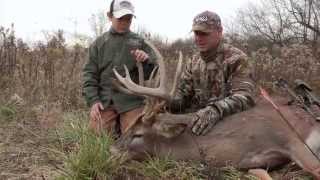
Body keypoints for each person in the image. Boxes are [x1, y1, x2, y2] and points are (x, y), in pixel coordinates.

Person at [168, 11, 255, 136]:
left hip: (229, 124)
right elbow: (183, 96)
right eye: (196, 33)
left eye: (204, 33)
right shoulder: (193, 61)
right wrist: (167, 102)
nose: (198, 38)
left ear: (219, 32)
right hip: (198, 122)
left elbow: (245, 97)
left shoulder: (237, 59)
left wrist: (216, 109)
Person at [82, 0, 156, 136]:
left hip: (131, 101)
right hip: (105, 101)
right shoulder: (99, 44)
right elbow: (89, 74)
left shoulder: (140, 42)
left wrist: (146, 61)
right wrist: (94, 101)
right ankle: (114, 127)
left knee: (138, 137)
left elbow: (150, 74)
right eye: (120, 18)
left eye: (128, 19)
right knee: (95, 136)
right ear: (110, 16)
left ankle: (121, 128)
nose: (124, 22)